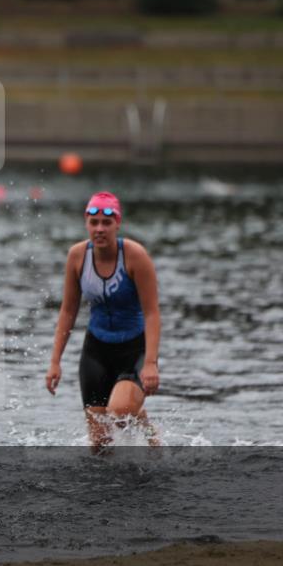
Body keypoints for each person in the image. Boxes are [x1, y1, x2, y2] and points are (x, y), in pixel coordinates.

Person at [45, 191, 160, 453]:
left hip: (134, 349)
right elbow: (68, 310)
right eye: (93, 222)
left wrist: (151, 364)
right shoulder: (77, 256)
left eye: (106, 223)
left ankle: (149, 430)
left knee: (119, 412)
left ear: (117, 224)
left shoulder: (135, 256)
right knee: (99, 445)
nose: (99, 229)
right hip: (96, 350)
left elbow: (152, 312)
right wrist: (55, 362)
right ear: (86, 223)